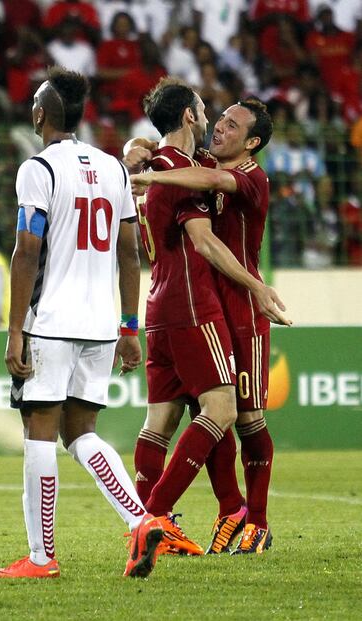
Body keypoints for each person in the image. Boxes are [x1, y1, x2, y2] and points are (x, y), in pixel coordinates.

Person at [0, 66, 163, 580]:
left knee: (39, 433)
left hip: (51, 322)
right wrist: (130, 326)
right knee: (81, 432)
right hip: (100, 324)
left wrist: (16, 328)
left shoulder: (37, 169)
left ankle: (41, 559)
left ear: (41, 113)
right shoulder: (112, 169)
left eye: (34, 103)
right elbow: (131, 251)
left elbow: (26, 251)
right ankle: (140, 519)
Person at [126, 78, 290, 556]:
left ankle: (253, 519)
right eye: (218, 118)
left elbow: (213, 182)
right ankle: (225, 510)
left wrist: (151, 168)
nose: (220, 125)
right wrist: (140, 149)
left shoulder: (249, 176)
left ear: (252, 142)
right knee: (210, 412)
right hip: (200, 306)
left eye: (232, 125)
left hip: (239, 307)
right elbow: (165, 152)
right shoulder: (191, 164)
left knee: (247, 418)